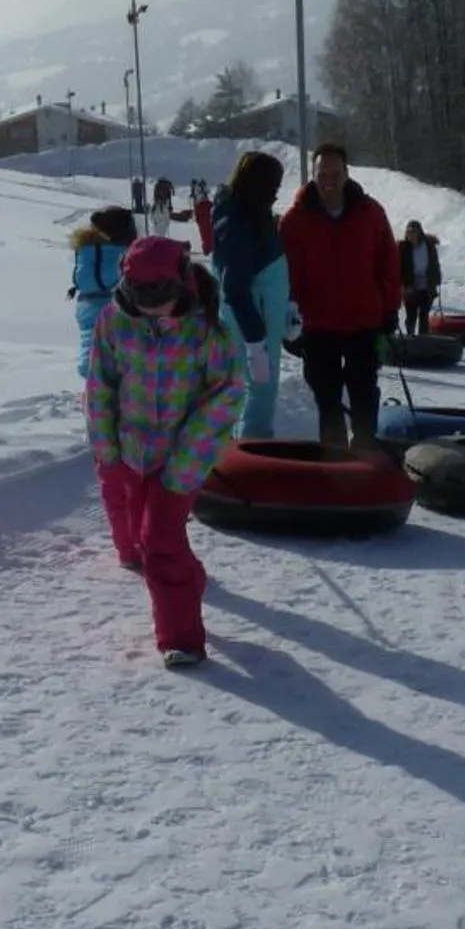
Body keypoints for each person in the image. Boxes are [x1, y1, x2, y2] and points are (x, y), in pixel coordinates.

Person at [86, 235, 244, 668]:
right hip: (132, 450)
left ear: (182, 283)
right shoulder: (113, 322)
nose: (153, 306)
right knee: (144, 533)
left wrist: (187, 461)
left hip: (183, 456)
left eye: (162, 295)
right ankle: (187, 576)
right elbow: (100, 387)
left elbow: (226, 396)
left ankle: (182, 639)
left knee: (159, 539)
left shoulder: (207, 328)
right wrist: (107, 449)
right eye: (142, 296)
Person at [278, 141, 398, 450]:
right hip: (318, 325)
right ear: (313, 175)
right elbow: (287, 275)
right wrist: (288, 322)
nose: (329, 181)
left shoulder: (370, 213)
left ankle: (365, 450)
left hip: (364, 321)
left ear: (346, 174)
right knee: (326, 396)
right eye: (322, 174)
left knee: (364, 392)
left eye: (335, 173)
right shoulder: (295, 220)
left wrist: (389, 310)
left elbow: (388, 263)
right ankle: (335, 460)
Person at [209, 150, 290, 439]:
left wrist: (286, 311)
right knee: (259, 391)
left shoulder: (250, 212)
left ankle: (248, 449)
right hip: (253, 327)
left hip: (263, 319)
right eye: (274, 186)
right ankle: (254, 452)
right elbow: (235, 285)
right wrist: (255, 341)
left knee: (259, 391)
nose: (277, 193)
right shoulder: (238, 219)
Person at [67, 206, 139, 379]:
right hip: (117, 306)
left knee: (91, 344)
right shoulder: (122, 255)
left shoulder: (86, 252)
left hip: (85, 304)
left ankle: (92, 376)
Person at [398, 221, 442, 337]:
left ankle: (423, 340)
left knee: (424, 315)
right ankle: (410, 338)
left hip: (426, 286)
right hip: (410, 286)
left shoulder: (428, 245)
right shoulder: (402, 248)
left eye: (413, 232)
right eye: (408, 232)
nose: (410, 234)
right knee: (411, 315)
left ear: (419, 233)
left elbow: (434, 263)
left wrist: (437, 278)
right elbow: (398, 267)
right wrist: (402, 284)